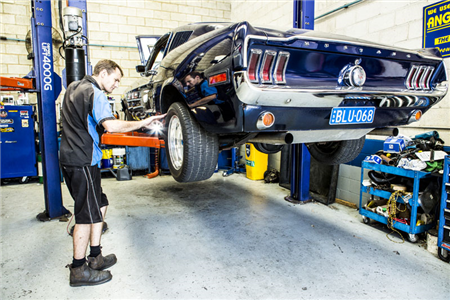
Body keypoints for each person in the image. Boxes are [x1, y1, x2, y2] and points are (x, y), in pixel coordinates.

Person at [60, 59, 165, 287]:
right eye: (115, 79)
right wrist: (143, 122)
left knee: (100, 204)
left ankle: (95, 256)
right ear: (103, 73)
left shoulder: (72, 88)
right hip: (83, 160)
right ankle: (78, 269)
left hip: (72, 158)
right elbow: (111, 126)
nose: (117, 84)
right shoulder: (95, 94)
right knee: (86, 215)